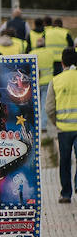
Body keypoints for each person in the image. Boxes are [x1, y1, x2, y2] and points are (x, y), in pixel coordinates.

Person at [45, 48, 77, 202]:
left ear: (62, 62)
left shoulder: (56, 80)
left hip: (63, 129)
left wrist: (56, 121)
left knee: (64, 162)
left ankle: (66, 194)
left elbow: (49, 108)